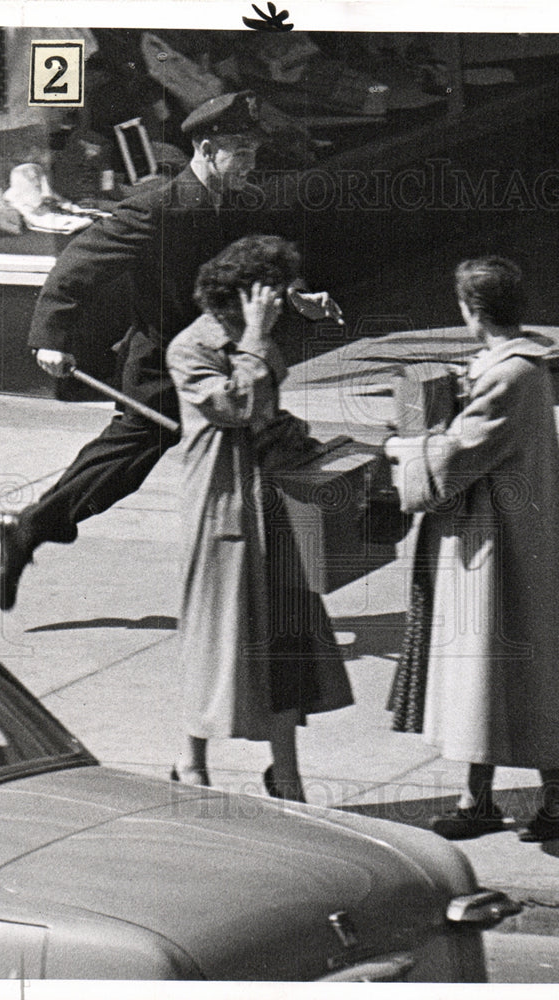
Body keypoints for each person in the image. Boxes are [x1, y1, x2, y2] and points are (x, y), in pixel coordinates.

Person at [0, 91, 299, 611]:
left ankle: (259, 588)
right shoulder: (158, 206)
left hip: (219, 354)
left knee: (250, 452)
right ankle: (31, 527)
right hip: (161, 362)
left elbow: (251, 268)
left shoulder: (239, 199)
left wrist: (294, 294)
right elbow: (78, 264)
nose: (250, 164)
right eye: (239, 152)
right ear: (205, 149)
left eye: (253, 152)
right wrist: (50, 337)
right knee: (127, 460)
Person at [384, 256, 559, 841]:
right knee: (491, 673)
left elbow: (461, 454)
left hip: (501, 543)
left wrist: (405, 451)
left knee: (509, 670)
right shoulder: (510, 366)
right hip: (502, 536)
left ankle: (545, 800)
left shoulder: (512, 375)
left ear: (470, 312)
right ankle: (485, 796)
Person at [165, 234, 353, 796]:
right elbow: (234, 406)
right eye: (270, 295)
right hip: (222, 511)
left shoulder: (258, 340)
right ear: (242, 297)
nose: (277, 306)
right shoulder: (190, 347)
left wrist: (292, 432)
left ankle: (288, 774)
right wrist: (253, 339)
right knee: (213, 642)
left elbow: (264, 412)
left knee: (284, 646)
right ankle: (191, 761)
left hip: (272, 506)